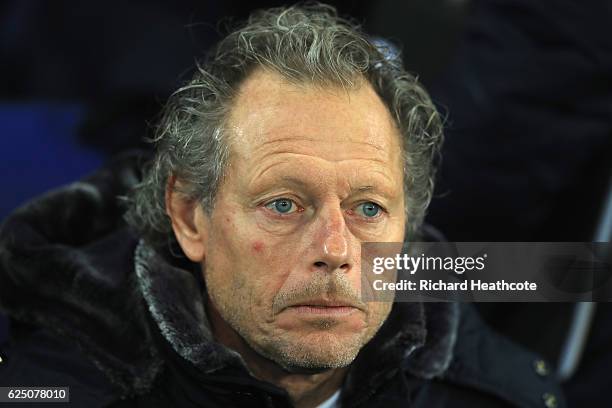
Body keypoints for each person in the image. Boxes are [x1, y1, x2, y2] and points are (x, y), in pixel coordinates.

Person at [0, 4, 563, 407]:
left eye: (369, 209)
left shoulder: (502, 389)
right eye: (285, 205)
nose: (336, 252)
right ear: (189, 214)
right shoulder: (55, 383)